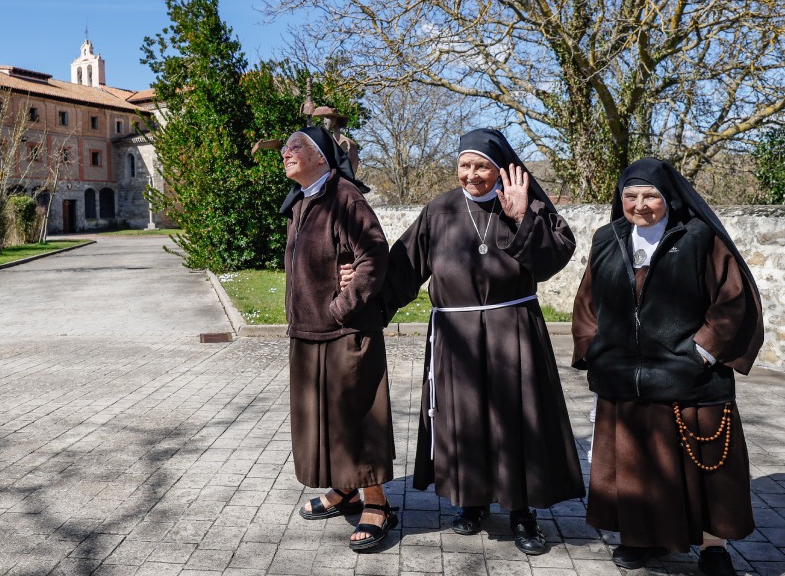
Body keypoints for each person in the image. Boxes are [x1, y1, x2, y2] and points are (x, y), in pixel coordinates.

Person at [344, 128, 585, 555]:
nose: (472, 175)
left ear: (500, 170)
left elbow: (554, 259)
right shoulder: (438, 211)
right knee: (466, 420)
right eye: (464, 166)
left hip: (513, 332)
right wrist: (361, 289)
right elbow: (401, 269)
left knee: (517, 422)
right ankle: (472, 502)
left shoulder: (523, 206)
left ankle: (522, 513)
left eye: (482, 167)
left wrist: (521, 216)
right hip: (456, 337)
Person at [572, 157, 764, 575]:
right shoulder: (608, 238)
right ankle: (642, 540)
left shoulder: (700, 239)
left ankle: (714, 548)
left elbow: (732, 302)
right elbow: (588, 300)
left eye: (650, 195)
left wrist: (702, 353)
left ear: (669, 198)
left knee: (706, 471)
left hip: (690, 377)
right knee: (636, 468)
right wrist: (593, 348)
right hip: (625, 379)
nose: (640, 205)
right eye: (630, 195)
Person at [279, 125, 398, 552]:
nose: (286, 152)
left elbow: (374, 255)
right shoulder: (302, 203)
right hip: (309, 333)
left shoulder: (345, 197)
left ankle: (377, 502)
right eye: (286, 148)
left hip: (345, 331)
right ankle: (345, 489)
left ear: (322, 157)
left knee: (357, 417)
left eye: (296, 146)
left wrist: (341, 305)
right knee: (324, 420)